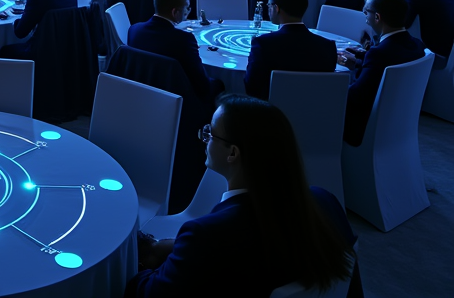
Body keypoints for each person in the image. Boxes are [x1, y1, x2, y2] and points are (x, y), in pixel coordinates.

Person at [129, 94, 356, 298]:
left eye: (211, 132)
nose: (205, 138)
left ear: (233, 153)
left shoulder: (206, 234)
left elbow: (146, 293)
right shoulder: (326, 202)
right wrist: (178, 249)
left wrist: (142, 261)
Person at [339, 0, 425, 146]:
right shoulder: (416, 45)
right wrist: (359, 62)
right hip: (396, 120)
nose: (365, 17)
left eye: (366, 12)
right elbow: (386, 66)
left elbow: (356, 96)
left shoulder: (379, 53)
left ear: (377, 17)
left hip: (363, 126)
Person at [244, 0, 339, 100]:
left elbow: (251, 87)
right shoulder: (328, 47)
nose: (268, 9)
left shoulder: (263, 44)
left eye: (269, 5)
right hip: (314, 114)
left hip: (270, 114)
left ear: (276, 8)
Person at [127, 0, 221, 100]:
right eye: (186, 8)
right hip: (180, 105)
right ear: (175, 12)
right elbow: (203, 87)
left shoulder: (134, 30)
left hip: (141, 96)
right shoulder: (184, 40)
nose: (188, 11)